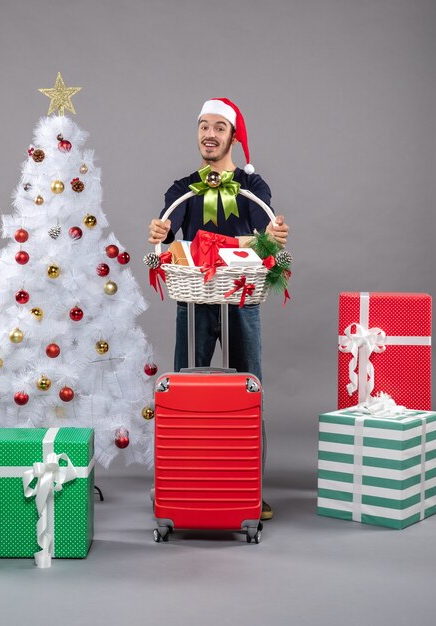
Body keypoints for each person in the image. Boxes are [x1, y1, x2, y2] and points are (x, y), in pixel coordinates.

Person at [148, 98, 289, 521]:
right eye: (203, 126)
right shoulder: (182, 189)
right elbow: (167, 235)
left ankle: (248, 489)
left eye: (219, 128)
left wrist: (272, 233)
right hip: (194, 298)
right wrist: (158, 230)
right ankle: (180, 483)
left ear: (232, 137)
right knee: (184, 388)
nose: (209, 134)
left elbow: (266, 231)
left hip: (242, 294)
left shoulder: (253, 186)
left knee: (250, 387)